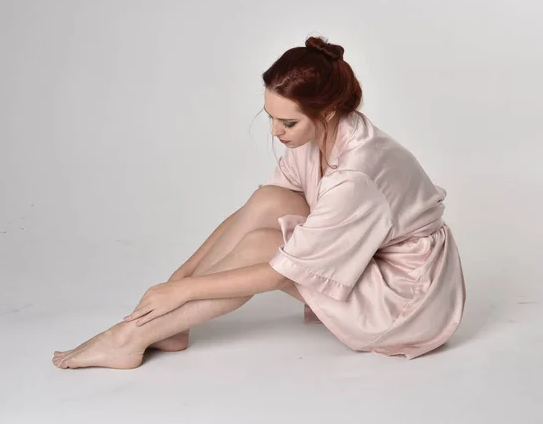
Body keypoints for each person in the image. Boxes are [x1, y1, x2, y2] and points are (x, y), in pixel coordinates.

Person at [52, 36, 466, 369]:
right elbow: (261, 208)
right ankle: (167, 328)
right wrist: (177, 279)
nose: (275, 132)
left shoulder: (356, 174)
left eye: (288, 122)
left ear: (328, 111)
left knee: (262, 248)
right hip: (375, 255)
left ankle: (130, 338)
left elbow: (277, 272)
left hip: (405, 300)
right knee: (270, 200)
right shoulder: (323, 132)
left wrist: (181, 293)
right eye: (270, 117)